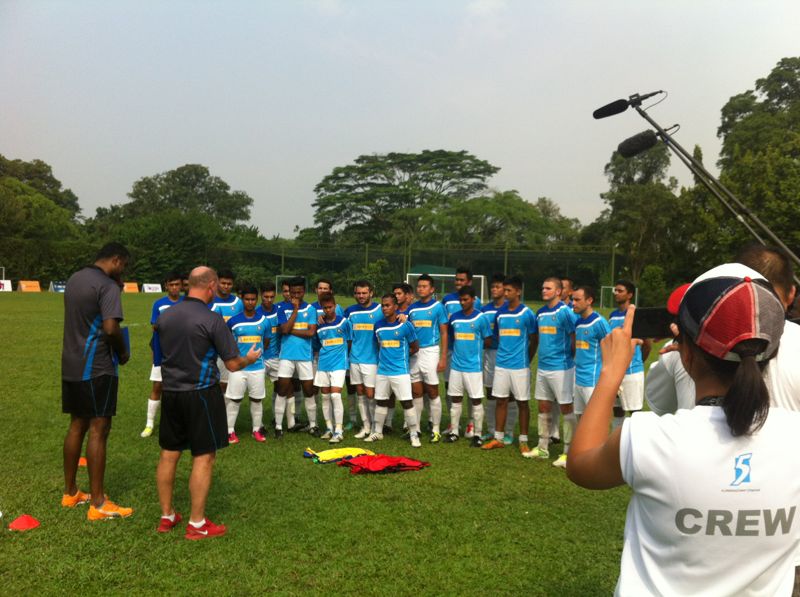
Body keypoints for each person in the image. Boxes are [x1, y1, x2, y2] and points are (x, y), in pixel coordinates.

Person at [567, 264, 800, 595]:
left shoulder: (651, 438)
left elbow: (581, 465)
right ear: (770, 353)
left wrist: (611, 372)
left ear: (686, 354)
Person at [155, 267, 261, 539]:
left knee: (169, 453)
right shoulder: (212, 319)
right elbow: (233, 363)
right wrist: (249, 359)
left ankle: (167, 516)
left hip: (171, 393)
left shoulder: (166, 316)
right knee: (204, 456)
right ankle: (197, 523)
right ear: (211, 286)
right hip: (201, 393)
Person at [61, 242, 132, 519]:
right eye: (123, 265)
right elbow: (111, 328)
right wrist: (123, 352)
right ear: (116, 260)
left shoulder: (75, 278)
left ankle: (70, 493)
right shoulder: (107, 286)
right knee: (99, 428)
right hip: (97, 366)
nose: (122, 271)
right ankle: (99, 503)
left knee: (77, 424)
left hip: (71, 364)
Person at [482, 276, 537, 455]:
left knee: (522, 402)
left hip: (520, 366)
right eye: (504, 290)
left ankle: (523, 440)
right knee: (501, 400)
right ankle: (498, 438)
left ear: (518, 292)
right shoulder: (501, 313)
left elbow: (534, 339)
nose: (505, 293)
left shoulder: (527, 313)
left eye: (508, 291)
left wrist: (527, 359)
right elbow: (498, 337)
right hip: (501, 365)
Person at [524, 277, 577, 461]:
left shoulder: (565, 312)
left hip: (562, 368)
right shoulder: (540, 313)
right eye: (543, 287)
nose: (544, 290)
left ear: (558, 291)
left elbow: (574, 338)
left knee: (566, 408)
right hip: (543, 367)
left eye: (548, 288)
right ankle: (542, 447)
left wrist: (571, 359)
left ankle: (568, 452)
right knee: (544, 406)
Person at [367, 294, 422, 447]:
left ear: (396, 307)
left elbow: (415, 346)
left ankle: (413, 433)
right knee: (381, 401)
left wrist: (402, 357)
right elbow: (379, 346)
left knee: (406, 402)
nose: (385, 308)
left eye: (388, 305)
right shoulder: (378, 325)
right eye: (383, 305)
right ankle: (377, 432)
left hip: (400, 371)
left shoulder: (406, 325)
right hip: (383, 371)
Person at [569, 286, 611, 469]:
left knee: (596, 419)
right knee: (580, 416)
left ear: (589, 300)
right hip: (578, 378)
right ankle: (583, 453)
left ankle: (602, 455)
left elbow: (610, 349)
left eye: (577, 299)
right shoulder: (578, 322)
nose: (573, 303)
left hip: (593, 379)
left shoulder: (599, 322)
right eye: (572, 299)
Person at [445, 286, 491, 446]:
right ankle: (454, 432)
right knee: (455, 399)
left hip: (473, 367)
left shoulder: (481, 318)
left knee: (476, 400)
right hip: (456, 366)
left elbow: (488, 339)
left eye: (466, 299)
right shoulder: (455, 318)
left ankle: (477, 434)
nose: (463, 302)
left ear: (473, 299)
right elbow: (451, 337)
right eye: (461, 300)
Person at [225, 286, 270, 444]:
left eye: (253, 299)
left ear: (256, 300)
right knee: (234, 400)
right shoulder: (233, 321)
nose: (250, 302)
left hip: (257, 368)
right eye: (247, 299)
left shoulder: (263, 321)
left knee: (256, 400)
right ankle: (230, 431)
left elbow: (266, 340)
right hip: (238, 367)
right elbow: (227, 342)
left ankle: (256, 430)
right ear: (242, 299)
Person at [274, 277, 318, 437]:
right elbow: (283, 329)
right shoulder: (282, 308)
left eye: (299, 292)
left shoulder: (311, 309)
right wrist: (295, 310)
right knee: (282, 389)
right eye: (293, 293)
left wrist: (288, 330)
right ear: (289, 292)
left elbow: (311, 333)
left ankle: (313, 425)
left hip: (305, 357)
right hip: (286, 356)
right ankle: (279, 426)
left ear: (304, 292)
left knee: (308, 390)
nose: (296, 296)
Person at [141, 272, 183, 438]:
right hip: (163, 352)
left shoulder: (185, 303)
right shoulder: (159, 304)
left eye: (177, 284)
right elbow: (155, 327)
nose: (174, 288)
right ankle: (149, 424)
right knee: (158, 386)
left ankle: (177, 423)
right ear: (166, 286)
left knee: (180, 389)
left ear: (181, 285)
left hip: (182, 352)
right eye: (171, 285)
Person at [408, 274, 448, 443]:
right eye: (419, 286)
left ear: (432, 289)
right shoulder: (412, 308)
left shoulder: (438, 307)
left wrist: (443, 357)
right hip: (414, 354)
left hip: (431, 352)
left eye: (424, 286)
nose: (421, 289)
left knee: (432, 391)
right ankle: (415, 428)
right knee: (416, 391)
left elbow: (444, 332)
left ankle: (436, 428)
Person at [609, 280, 651, 427]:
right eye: (616, 290)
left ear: (630, 295)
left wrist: (637, 362)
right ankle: (617, 445)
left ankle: (637, 447)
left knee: (635, 413)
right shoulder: (612, 315)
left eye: (620, 291)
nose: (616, 293)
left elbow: (647, 345)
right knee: (617, 410)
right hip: (616, 372)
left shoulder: (636, 315)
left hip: (632, 372)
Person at [480, 273, 515, 443]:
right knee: (490, 392)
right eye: (492, 287)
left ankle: (508, 431)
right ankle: (491, 429)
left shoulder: (510, 308)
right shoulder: (485, 309)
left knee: (509, 395)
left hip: (507, 356)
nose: (494, 290)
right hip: (489, 354)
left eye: (498, 287)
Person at [345, 280, 381, 439]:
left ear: (371, 293)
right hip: (355, 358)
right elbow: (345, 333)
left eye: (364, 293)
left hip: (372, 359)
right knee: (360, 393)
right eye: (358, 293)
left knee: (370, 393)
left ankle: (375, 427)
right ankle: (365, 426)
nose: (361, 296)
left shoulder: (380, 309)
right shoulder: (350, 312)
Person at [314, 293, 351, 443]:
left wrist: (343, 356)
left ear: (335, 306)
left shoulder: (344, 322)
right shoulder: (319, 324)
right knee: (325, 397)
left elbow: (349, 341)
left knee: (335, 396)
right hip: (323, 363)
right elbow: (318, 344)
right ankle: (329, 428)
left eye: (330, 307)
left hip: (339, 364)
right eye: (325, 308)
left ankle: (339, 430)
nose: (328, 310)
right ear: (322, 308)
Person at [210, 269, 243, 395]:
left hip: (229, 351)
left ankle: (223, 413)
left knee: (226, 384)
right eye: (223, 283)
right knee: (211, 383)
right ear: (217, 282)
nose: (226, 286)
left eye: (229, 284)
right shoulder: (209, 300)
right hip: (211, 350)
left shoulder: (238, 303)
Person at [256, 282, 281, 407]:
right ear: (261, 295)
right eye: (266, 297)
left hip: (277, 356)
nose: (269, 300)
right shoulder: (256, 313)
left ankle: (276, 419)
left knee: (281, 388)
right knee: (257, 392)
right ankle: (258, 424)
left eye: (272, 297)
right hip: (260, 357)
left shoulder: (279, 311)